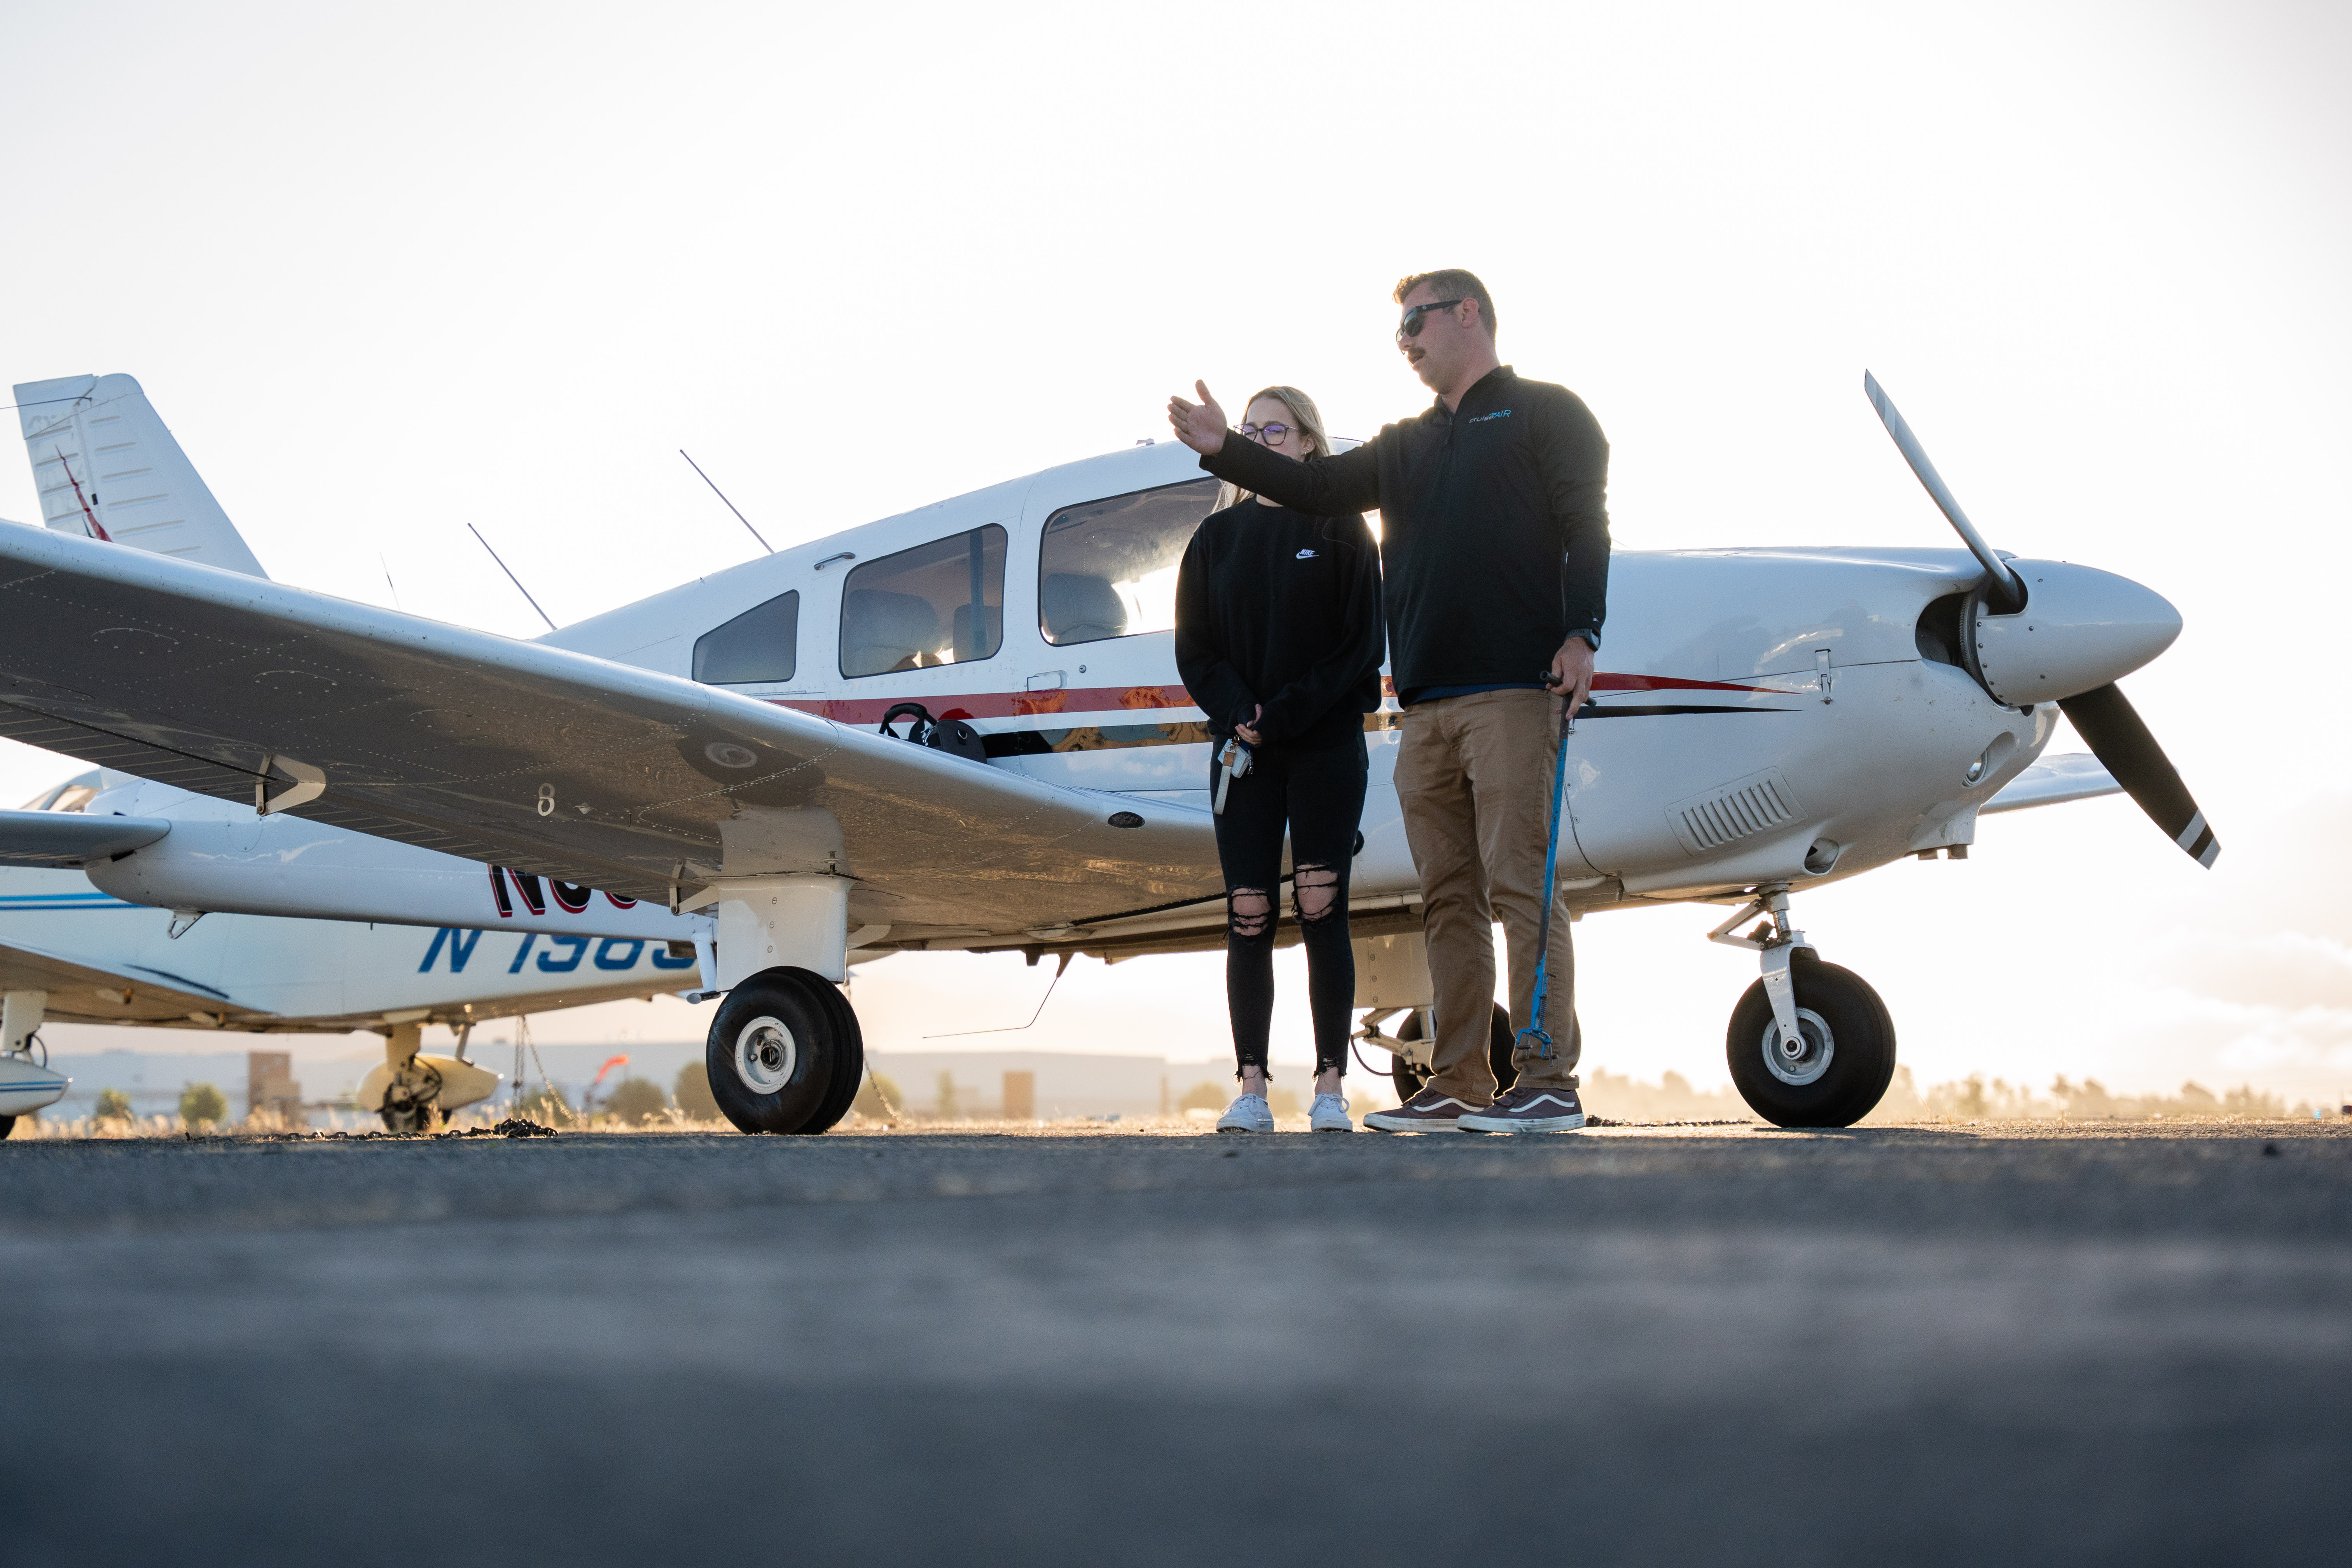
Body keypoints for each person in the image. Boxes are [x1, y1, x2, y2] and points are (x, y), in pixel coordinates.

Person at [1167, 270, 1609, 1134]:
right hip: (1427, 709)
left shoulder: (1547, 413)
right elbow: (1319, 488)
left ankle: (1548, 1080)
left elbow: (1585, 523)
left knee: (1522, 885)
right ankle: (1458, 1083)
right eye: (1397, 330)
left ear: (1468, 314)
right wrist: (1226, 448)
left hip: (1515, 691)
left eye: (1415, 321)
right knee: (1446, 895)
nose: (1404, 341)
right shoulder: (1403, 445)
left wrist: (1581, 632)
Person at [1173, 385, 1384, 1134]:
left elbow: (1358, 647)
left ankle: (1330, 1086)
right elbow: (1194, 649)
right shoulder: (1214, 538)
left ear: (1308, 445)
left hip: (1324, 746)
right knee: (1249, 914)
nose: (1262, 440)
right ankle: (1252, 1088)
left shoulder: (1341, 528)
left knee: (1322, 905)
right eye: (1251, 430)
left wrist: (1284, 712)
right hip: (1242, 752)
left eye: (1278, 430)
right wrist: (1241, 713)